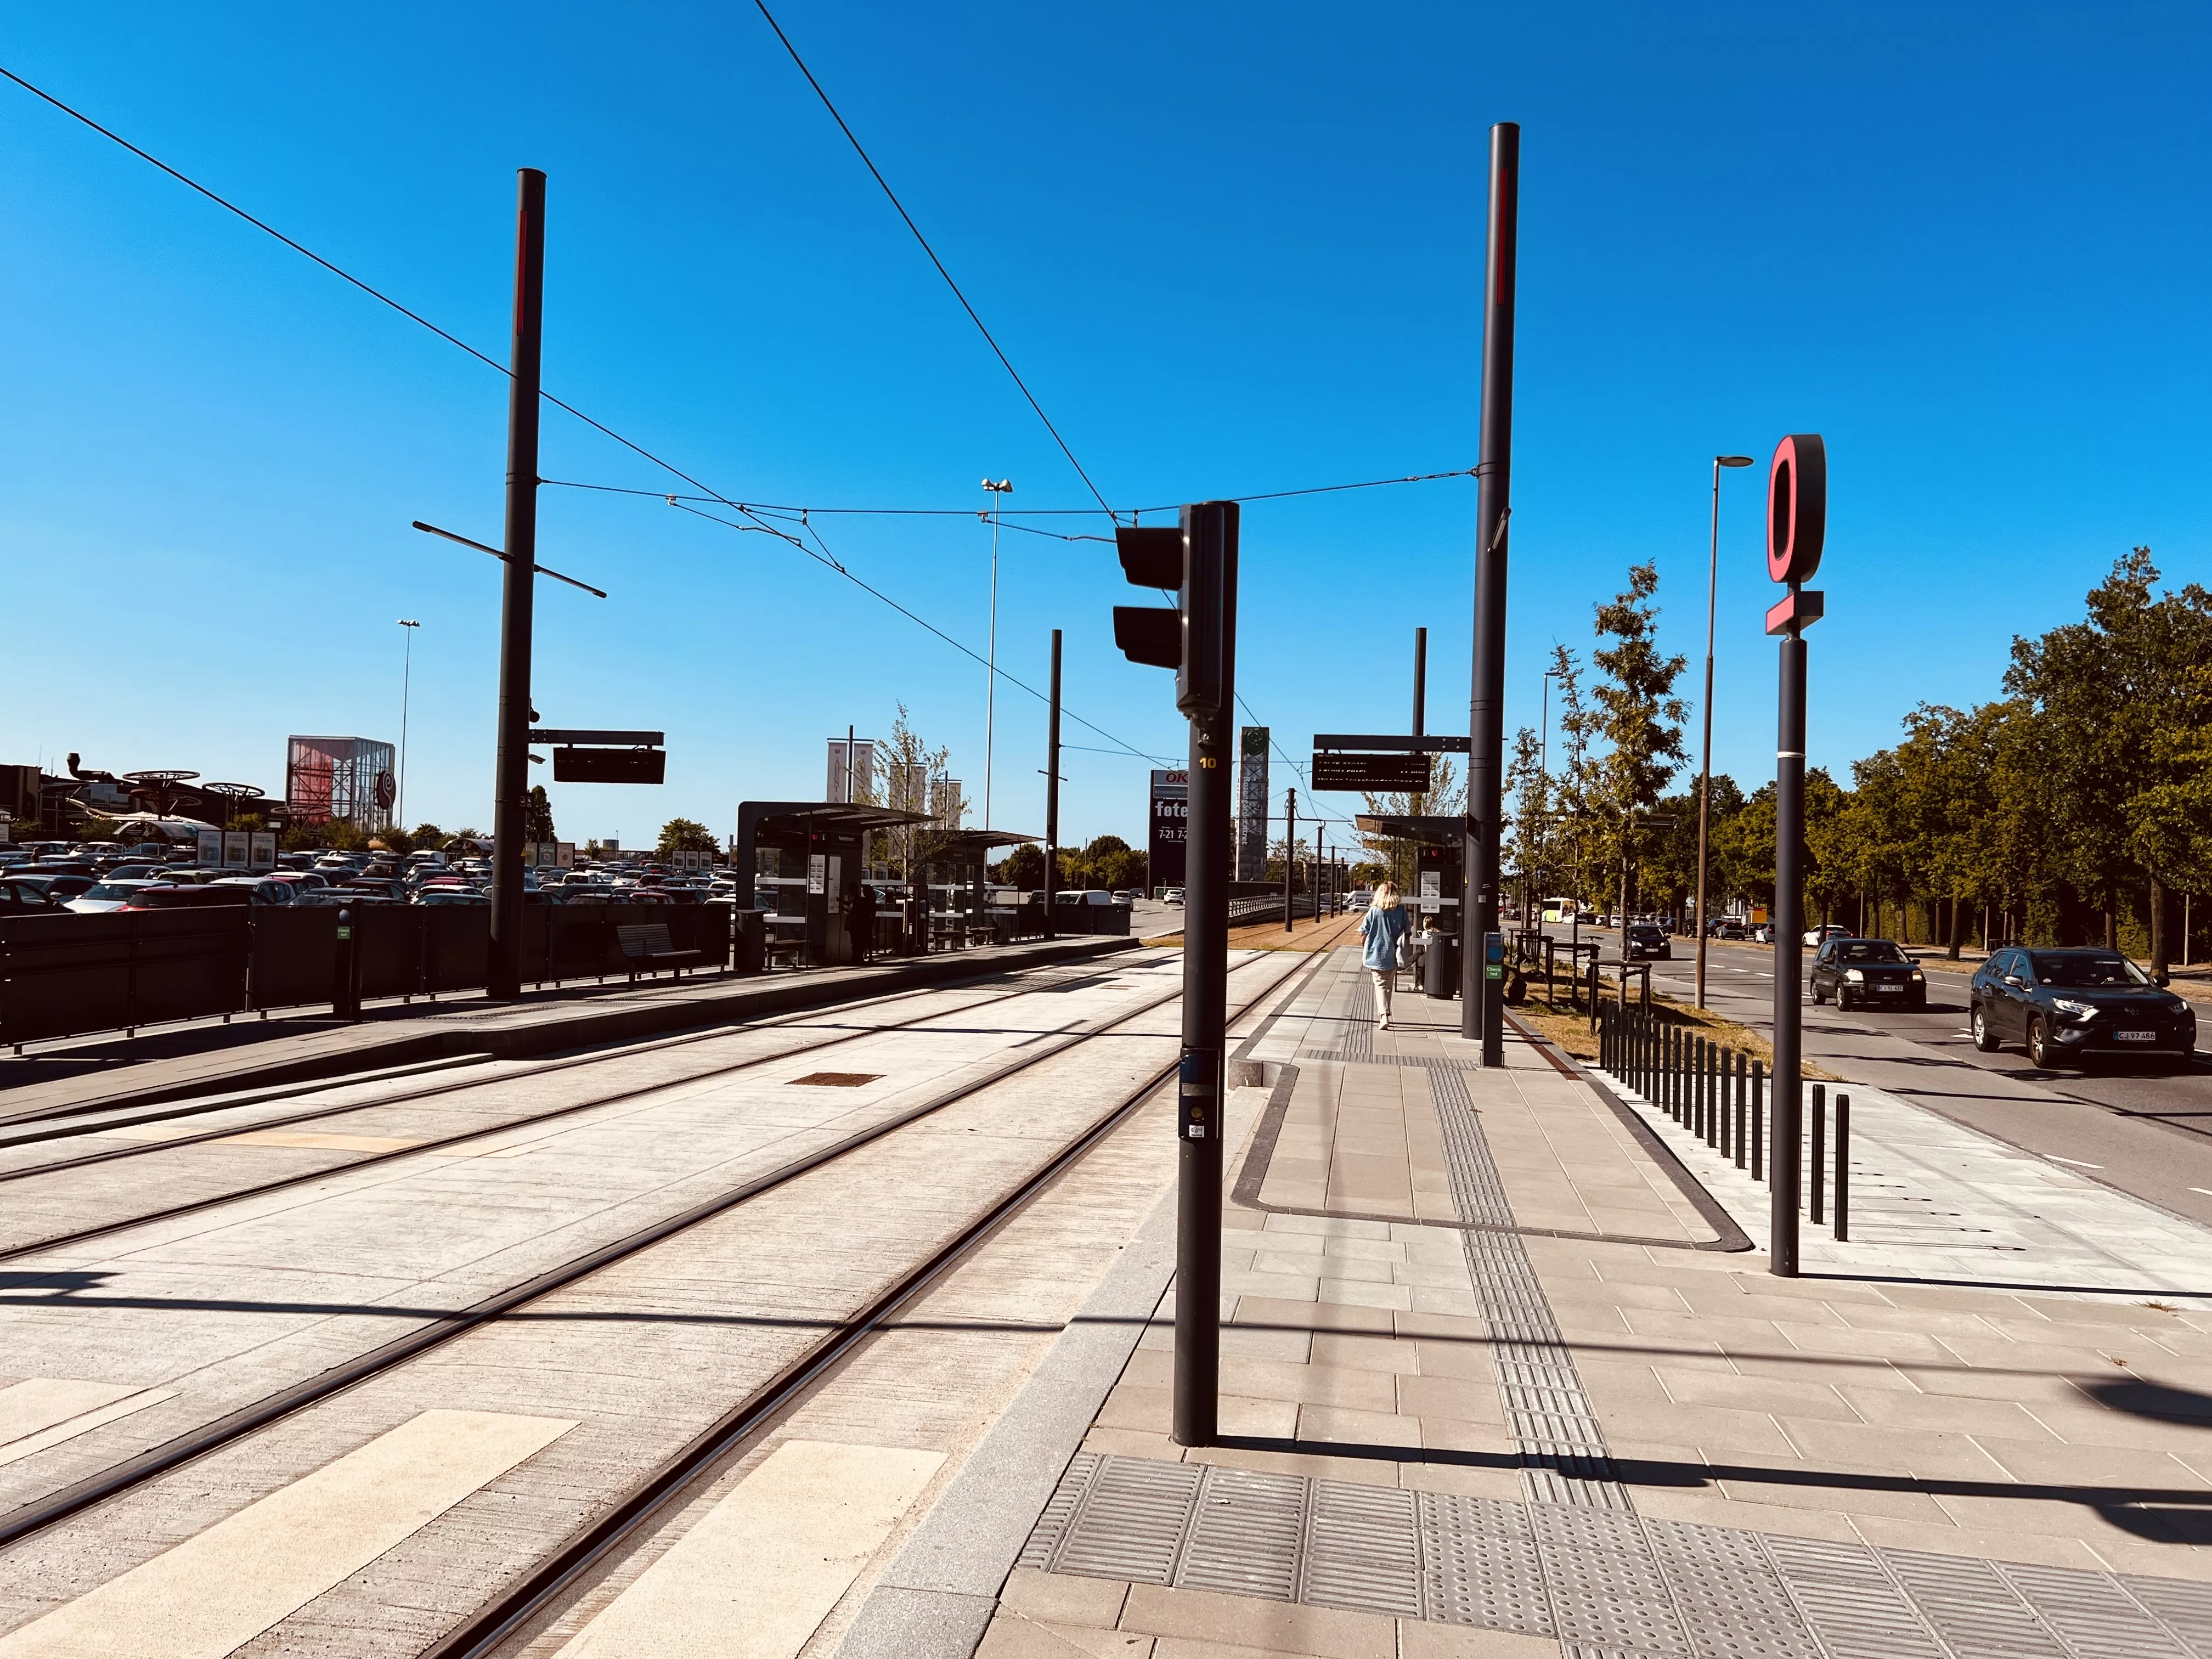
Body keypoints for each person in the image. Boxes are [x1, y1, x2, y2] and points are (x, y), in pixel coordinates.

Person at [1358, 882, 1411, 1029]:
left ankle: (1384, 1016)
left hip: (1377, 953)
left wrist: (1364, 944)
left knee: (1380, 985)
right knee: (1388, 986)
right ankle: (1385, 1013)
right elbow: (1407, 933)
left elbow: (1364, 931)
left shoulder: (1374, 911)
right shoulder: (1401, 911)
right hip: (1395, 954)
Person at [847, 881, 878, 962]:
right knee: (867, 940)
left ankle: (862, 957)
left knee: (862, 941)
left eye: (864, 891)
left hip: (863, 924)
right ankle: (868, 957)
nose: (863, 893)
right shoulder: (870, 901)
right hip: (867, 923)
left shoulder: (865, 901)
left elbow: (858, 912)